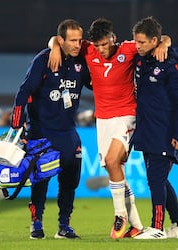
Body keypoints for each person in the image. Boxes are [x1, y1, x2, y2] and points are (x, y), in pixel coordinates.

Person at [48, 17, 170, 239]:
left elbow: (161, 39)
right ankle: (135, 227)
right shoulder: (87, 50)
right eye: (97, 46)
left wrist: (164, 44)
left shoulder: (127, 49)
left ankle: (120, 214)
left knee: (113, 161)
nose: (101, 50)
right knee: (114, 171)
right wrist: (55, 47)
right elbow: (58, 40)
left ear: (113, 38)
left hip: (127, 116)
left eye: (105, 44)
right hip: (102, 119)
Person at [10, 19, 91, 240]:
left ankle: (64, 225)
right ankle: (36, 223)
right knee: (40, 179)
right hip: (41, 132)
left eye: (79, 40)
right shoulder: (43, 60)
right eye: (72, 40)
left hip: (67, 132)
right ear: (61, 40)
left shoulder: (82, 62)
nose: (77, 44)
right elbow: (24, 91)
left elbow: (98, 83)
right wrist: (17, 125)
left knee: (70, 179)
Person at [131, 16, 178, 239]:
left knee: (155, 180)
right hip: (147, 130)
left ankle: (157, 228)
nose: (137, 46)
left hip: (166, 132)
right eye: (135, 42)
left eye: (142, 42)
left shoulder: (173, 62)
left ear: (154, 40)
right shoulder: (141, 60)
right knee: (159, 179)